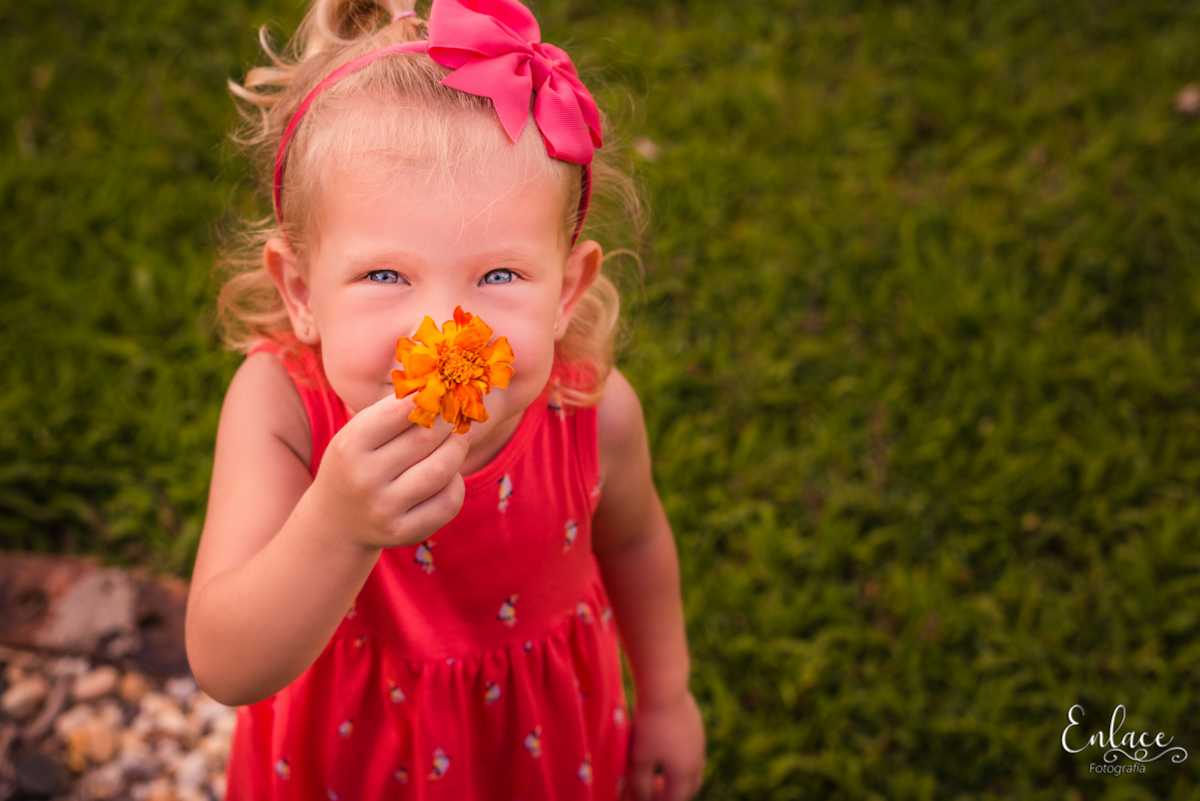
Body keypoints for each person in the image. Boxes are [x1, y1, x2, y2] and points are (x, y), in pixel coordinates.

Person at [183, 0, 705, 799]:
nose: (445, 327)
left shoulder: (591, 411)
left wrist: (666, 695)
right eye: (385, 276)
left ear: (567, 291)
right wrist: (335, 524)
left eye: (499, 276)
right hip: (349, 760)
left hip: (534, 751)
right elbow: (225, 663)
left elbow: (634, 543)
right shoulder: (282, 409)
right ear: (301, 292)